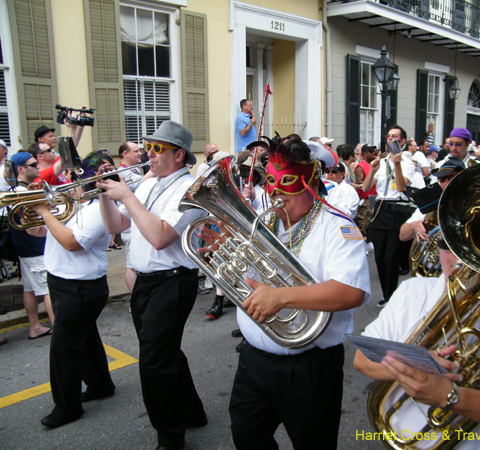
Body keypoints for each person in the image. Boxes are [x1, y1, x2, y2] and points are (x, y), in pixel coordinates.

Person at [200, 136, 370, 450]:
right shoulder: (262, 224)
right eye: (271, 181)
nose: (275, 191)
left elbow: (351, 292)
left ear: (311, 182)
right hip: (253, 361)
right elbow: (246, 281)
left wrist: (281, 297)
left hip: (308, 369)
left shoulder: (338, 227)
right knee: (247, 437)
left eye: (287, 181)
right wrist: (223, 255)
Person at [354, 244, 480, 449]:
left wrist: (449, 396)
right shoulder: (412, 291)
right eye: (449, 245)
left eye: (476, 247)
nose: (459, 259)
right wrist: (413, 362)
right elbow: (361, 359)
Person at [97, 120, 207, 450]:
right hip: (145, 283)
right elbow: (116, 224)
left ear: (179, 155)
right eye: (148, 147)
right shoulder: (148, 185)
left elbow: (160, 237)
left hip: (173, 281)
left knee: (153, 362)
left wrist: (127, 195)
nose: (150, 154)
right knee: (165, 352)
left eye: (157, 148)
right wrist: (105, 193)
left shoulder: (188, 191)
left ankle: (170, 438)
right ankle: (193, 412)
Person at [28, 152, 116, 429]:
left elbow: (71, 242)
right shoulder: (73, 204)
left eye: (78, 177)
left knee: (64, 349)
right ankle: (101, 385)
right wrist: (35, 208)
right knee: (87, 339)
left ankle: (67, 408)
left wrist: (43, 210)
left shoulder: (97, 209)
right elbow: (39, 234)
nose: (72, 182)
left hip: (81, 286)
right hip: (63, 281)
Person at [362, 125, 417, 307]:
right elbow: (365, 187)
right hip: (379, 208)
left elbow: (401, 187)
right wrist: (372, 170)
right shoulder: (382, 162)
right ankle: (388, 294)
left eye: (395, 137)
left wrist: (398, 163)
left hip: (397, 210)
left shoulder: (408, 163)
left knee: (391, 258)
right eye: (389, 136)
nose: (390, 139)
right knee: (379, 258)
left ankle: (390, 297)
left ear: (401, 141)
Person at [8, 152, 54, 339]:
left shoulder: (14, 191)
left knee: (29, 288)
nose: (37, 166)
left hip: (23, 248)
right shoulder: (25, 192)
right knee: (48, 290)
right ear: (21, 169)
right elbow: (34, 225)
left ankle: (35, 326)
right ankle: (56, 325)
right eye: (33, 164)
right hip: (35, 247)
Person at [117, 142, 144, 294]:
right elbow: (142, 184)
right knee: (131, 264)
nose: (139, 153)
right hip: (129, 224)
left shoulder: (134, 169)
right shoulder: (122, 172)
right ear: (125, 154)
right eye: (135, 151)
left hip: (136, 222)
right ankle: (134, 299)